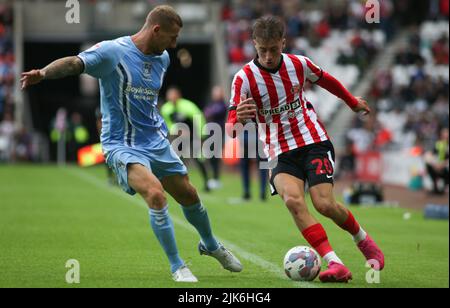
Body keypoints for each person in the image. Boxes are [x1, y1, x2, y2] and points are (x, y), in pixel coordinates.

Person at [21, 5, 242, 283]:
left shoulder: (162, 58)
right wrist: (43, 73)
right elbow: (75, 63)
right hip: (121, 143)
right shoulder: (113, 52)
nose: (175, 44)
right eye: (172, 37)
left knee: (189, 195)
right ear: (156, 30)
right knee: (156, 194)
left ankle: (210, 245)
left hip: (155, 139)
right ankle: (177, 266)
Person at [227, 16, 384, 283]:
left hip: (312, 141)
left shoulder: (298, 64)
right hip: (278, 150)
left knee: (324, 204)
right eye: (262, 49)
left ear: (283, 43)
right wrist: (236, 119)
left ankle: (363, 239)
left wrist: (351, 101)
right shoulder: (244, 79)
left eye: (273, 49)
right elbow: (230, 130)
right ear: (254, 44)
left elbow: (326, 80)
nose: (267, 56)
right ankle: (335, 264)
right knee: (293, 201)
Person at [204, 85, 228, 190]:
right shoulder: (212, 104)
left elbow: (211, 113)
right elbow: (206, 112)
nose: (215, 95)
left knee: (216, 156)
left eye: (217, 93)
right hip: (210, 132)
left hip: (218, 133)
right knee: (210, 156)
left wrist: (209, 112)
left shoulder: (223, 105)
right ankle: (213, 177)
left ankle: (216, 178)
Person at [424, 127, 449, 195]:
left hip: (445, 166)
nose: (446, 134)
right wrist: (435, 164)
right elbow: (430, 154)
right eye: (444, 132)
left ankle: (444, 188)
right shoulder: (438, 143)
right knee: (428, 165)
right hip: (438, 165)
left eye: (447, 132)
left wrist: (442, 164)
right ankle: (436, 188)